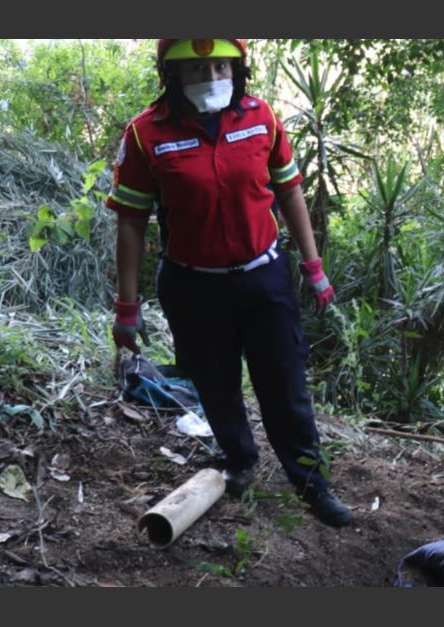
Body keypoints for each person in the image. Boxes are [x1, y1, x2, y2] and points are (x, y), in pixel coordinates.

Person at [106, 39, 351, 527]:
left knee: (284, 383)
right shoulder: (144, 134)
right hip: (192, 287)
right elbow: (131, 222)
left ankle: (310, 482)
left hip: (265, 280)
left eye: (221, 65)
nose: (211, 74)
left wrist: (313, 266)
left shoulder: (263, 118)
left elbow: (289, 189)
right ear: (172, 74)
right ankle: (240, 460)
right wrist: (126, 307)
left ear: (237, 69)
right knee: (215, 384)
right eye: (198, 66)